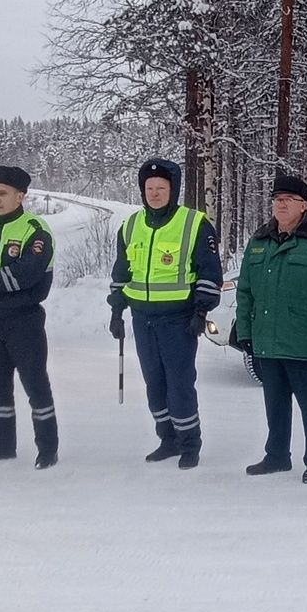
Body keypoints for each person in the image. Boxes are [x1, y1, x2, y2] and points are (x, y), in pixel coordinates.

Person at [107, 158, 223, 470]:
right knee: (154, 383)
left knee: (179, 384)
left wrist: (201, 310)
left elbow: (210, 272)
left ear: (172, 190)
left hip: (178, 320)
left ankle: (189, 444)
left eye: (161, 188)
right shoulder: (130, 226)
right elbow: (122, 271)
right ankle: (167, 439)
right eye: (149, 188)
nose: (155, 193)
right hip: (142, 319)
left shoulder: (194, 224)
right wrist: (116, 310)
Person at [235, 175, 307, 484]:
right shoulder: (259, 243)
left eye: (288, 199)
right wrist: (246, 334)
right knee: (275, 404)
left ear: (305, 205)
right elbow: (245, 292)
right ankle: (276, 456)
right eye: (277, 199)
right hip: (268, 343)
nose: (281, 203)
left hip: (305, 344)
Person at [0, 165, 60, 469]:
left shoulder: (35, 230)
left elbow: (29, 274)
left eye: (3, 193)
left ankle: (47, 449)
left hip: (24, 321)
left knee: (35, 384)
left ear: (21, 195)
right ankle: (0, 444)